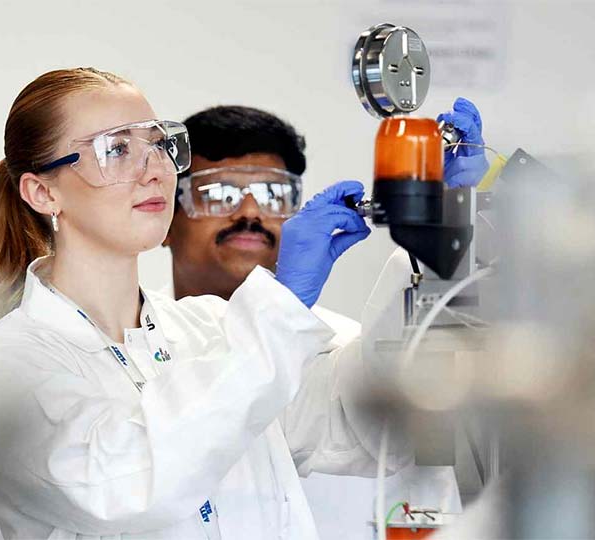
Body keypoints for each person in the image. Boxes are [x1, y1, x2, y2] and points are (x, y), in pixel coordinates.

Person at [0, 67, 406, 540]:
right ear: (43, 192)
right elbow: (129, 485)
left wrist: (433, 253)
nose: (156, 171)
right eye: (116, 149)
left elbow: (362, 422)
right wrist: (280, 305)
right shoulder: (8, 367)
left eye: (158, 145)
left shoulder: (214, 326)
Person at [163, 103, 489, 536]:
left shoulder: (359, 356)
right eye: (218, 193)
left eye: (271, 195)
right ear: (164, 215)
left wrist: (449, 232)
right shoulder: (139, 358)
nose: (249, 213)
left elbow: (428, 486)